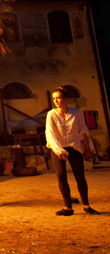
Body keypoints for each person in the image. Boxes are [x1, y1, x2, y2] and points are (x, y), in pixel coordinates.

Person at [45, 86, 100, 216]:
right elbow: (50, 134)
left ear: (66, 99)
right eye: (54, 98)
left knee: (80, 176)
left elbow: (83, 132)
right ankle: (68, 207)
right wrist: (60, 151)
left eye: (58, 98)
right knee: (61, 175)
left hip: (74, 147)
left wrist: (87, 149)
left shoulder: (76, 113)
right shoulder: (51, 114)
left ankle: (86, 205)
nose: (56, 101)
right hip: (57, 148)